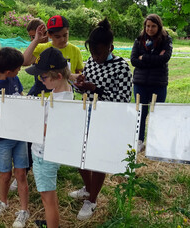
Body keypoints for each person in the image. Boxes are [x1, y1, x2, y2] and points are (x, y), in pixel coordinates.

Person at [72, 18, 132, 220]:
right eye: (92, 52)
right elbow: (83, 90)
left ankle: (93, 200)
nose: (95, 57)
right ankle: (88, 189)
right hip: (87, 114)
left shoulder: (121, 67)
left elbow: (123, 99)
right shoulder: (90, 63)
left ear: (110, 47)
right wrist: (79, 85)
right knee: (80, 157)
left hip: (107, 118)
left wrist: (96, 89)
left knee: (96, 159)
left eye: (99, 52)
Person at [0, 47, 30, 228]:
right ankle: (3, 202)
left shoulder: (15, 80)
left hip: (20, 135)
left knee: (21, 174)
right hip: (3, 139)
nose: (19, 71)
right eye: (18, 69)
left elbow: (21, 97)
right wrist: (5, 115)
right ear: (9, 71)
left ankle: (23, 210)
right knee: (5, 174)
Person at [25, 47, 73, 228]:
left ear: (58, 76)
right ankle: (51, 220)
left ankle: (53, 224)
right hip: (45, 152)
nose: (40, 80)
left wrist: (26, 123)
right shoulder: (61, 91)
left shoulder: (61, 102)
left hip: (44, 154)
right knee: (48, 194)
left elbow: (48, 128)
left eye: (43, 77)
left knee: (47, 198)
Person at [9, 18, 49, 193]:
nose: (37, 38)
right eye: (32, 36)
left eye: (37, 35)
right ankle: (24, 172)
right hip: (38, 94)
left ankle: (47, 173)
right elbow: (24, 61)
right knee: (29, 135)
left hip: (57, 98)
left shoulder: (60, 47)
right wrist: (35, 41)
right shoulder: (38, 48)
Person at [130, 14, 172, 152]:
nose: (150, 29)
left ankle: (155, 143)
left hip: (158, 83)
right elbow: (134, 60)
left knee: (157, 112)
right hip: (140, 83)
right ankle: (140, 140)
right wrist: (154, 59)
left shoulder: (166, 40)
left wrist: (145, 58)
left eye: (153, 26)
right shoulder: (139, 40)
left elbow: (164, 59)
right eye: (148, 26)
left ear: (159, 26)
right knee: (141, 112)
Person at [23, 15, 83, 97]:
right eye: (57, 36)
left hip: (64, 95)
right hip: (43, 95)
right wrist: (36, 40)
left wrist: (76, 77)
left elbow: (80, 73)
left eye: (65, 35)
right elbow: (24, 61)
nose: (62, 39)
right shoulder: (42, 47)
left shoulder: (75, 50)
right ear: (49, 35)